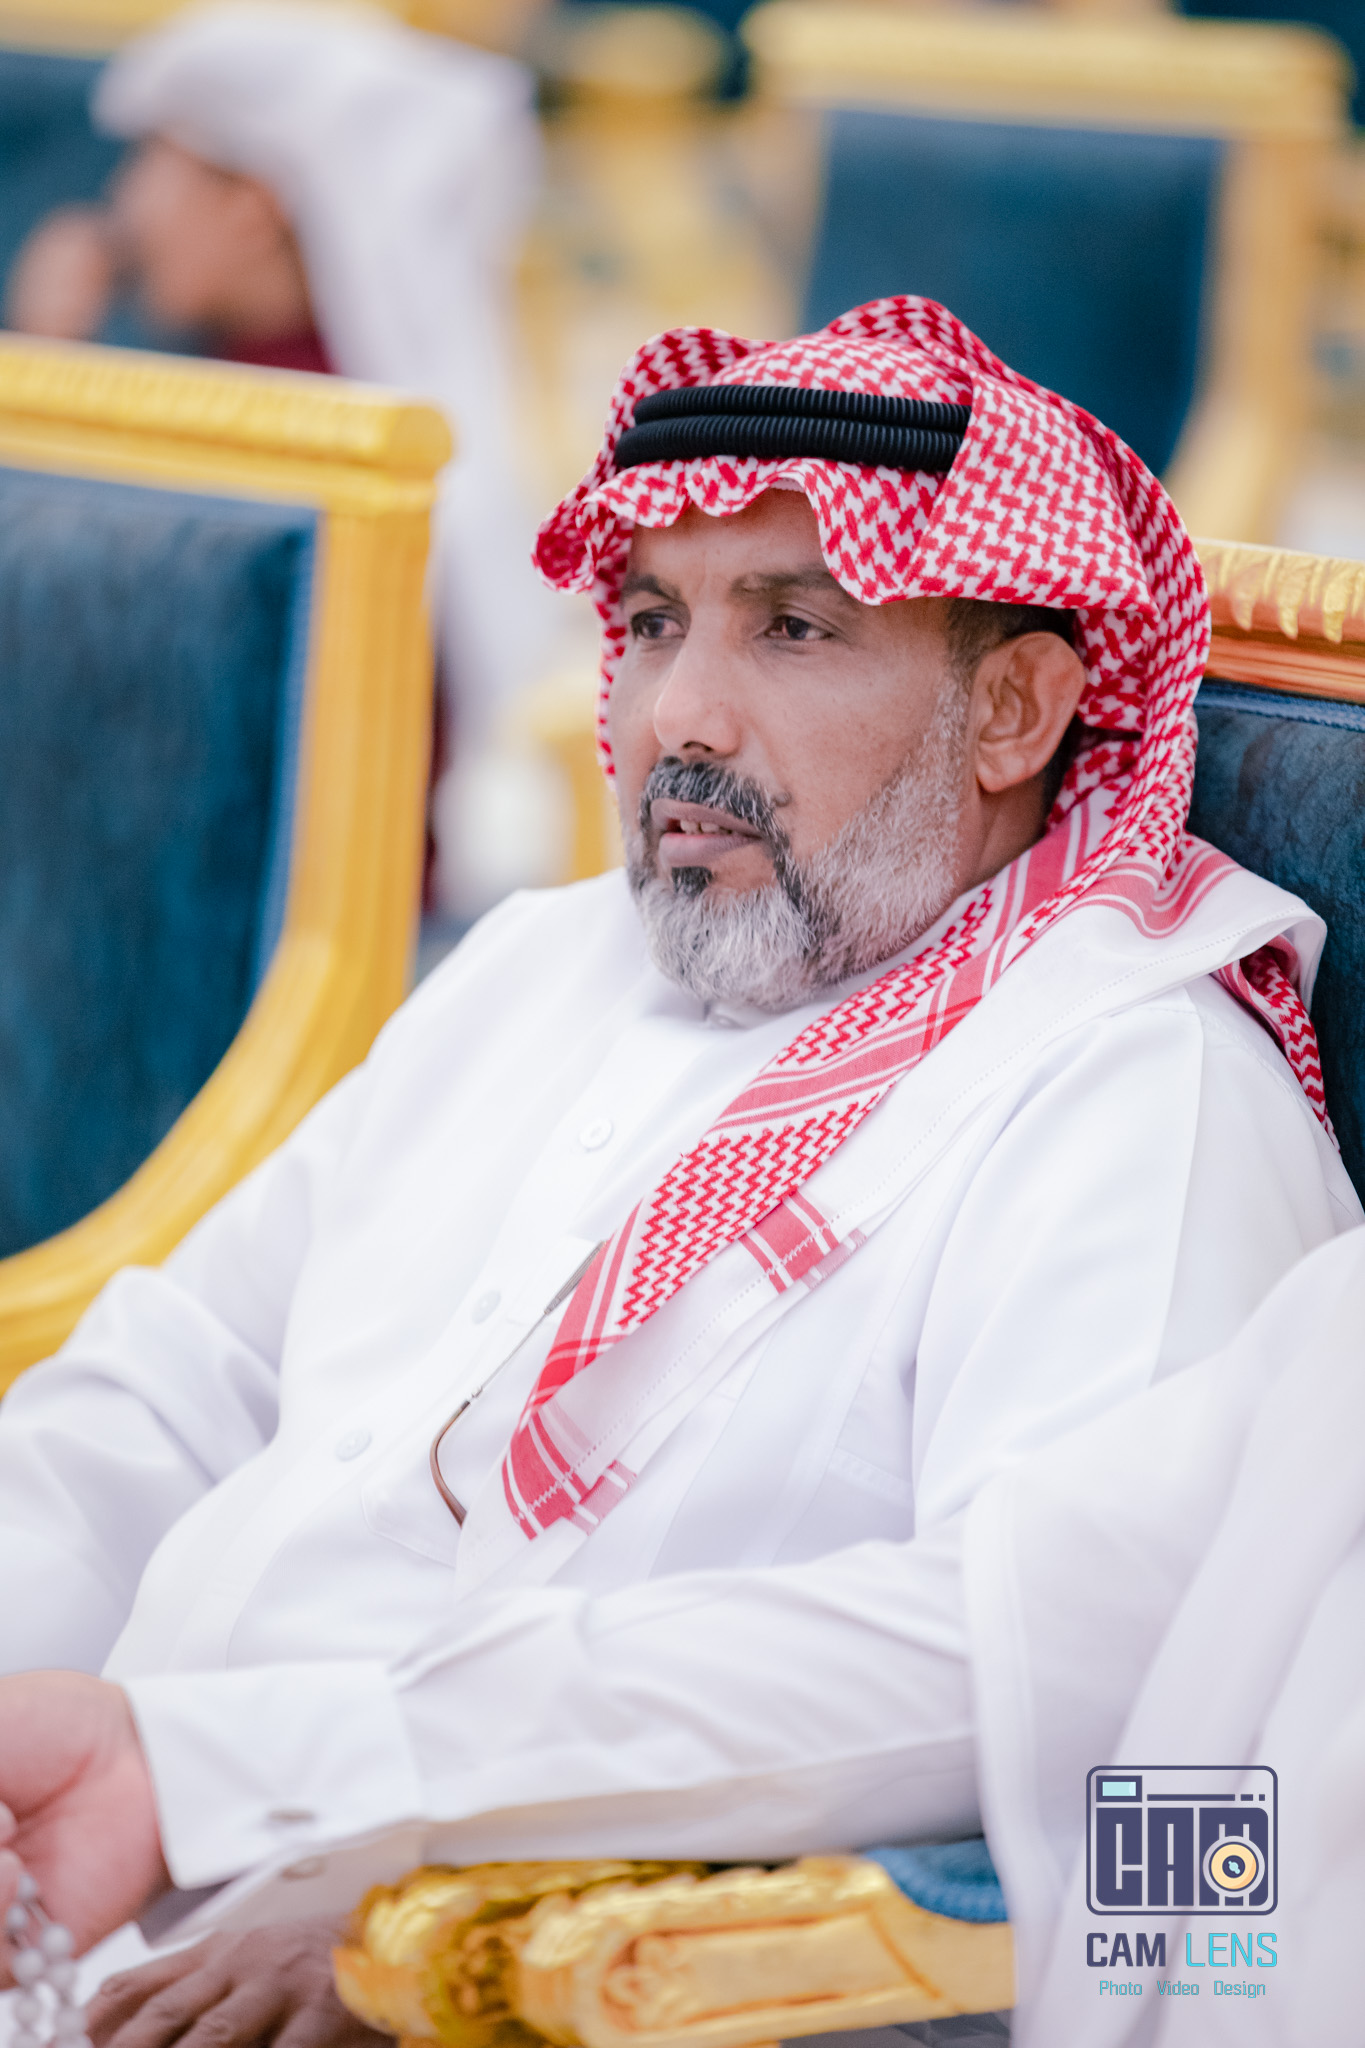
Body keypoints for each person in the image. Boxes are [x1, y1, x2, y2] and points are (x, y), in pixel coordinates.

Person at [0, 296, 1357, 2047]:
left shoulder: (1132, 1097)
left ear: (1015, 709)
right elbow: (170, 1391)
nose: (682, 716)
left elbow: (1031, 1666)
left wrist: (433, 1879)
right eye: (652, 623)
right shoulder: (534, 968)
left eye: (794, 627)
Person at [5, 2, 561, 907]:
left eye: (153, 166)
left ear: (254, 209)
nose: (123, 207)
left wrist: (41, 369)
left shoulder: (280, 435)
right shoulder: (260, 392)